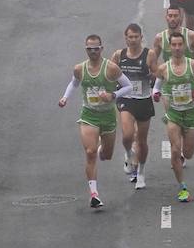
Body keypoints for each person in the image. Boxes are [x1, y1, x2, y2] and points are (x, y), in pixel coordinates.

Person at [58, 33, 136, 209]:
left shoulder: (111, 68)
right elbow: (74, 84)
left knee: (106, 155)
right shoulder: (80, 69)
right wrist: (65, 98)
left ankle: (103, 147)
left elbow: (129, 86)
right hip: (89, 115)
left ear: (101, 49)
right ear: (86, 50)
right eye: (89, 49)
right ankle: (94, 194)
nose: (93, 52)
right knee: (90, 152)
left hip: (107, 116)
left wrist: (113, 95)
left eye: (96, 48)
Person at [153, 31, 194, 203]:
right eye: (174, 45)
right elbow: (156, 86)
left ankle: (191, 138)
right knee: (175, 149)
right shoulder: (164, 68)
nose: (177, 48)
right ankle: (182, 188)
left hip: (190, 112)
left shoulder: (193, 65)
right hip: (173, 113)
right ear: (170, 47)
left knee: (188, 153)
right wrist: (156, 94)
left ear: (185, 46)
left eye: (180, 44)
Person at [112, 24, 158, 190]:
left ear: (141, 37)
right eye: (130, 37)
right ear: (126, 38)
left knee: (142, 141)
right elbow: (111, 74)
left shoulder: (149, 54)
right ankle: (128, 154)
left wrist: (151, 76)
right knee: (128, 135)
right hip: (126, 99)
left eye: (135, 37)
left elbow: (156, 74)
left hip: (144, 99)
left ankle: (141, 173)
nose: (133, 40)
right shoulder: (119, 55)